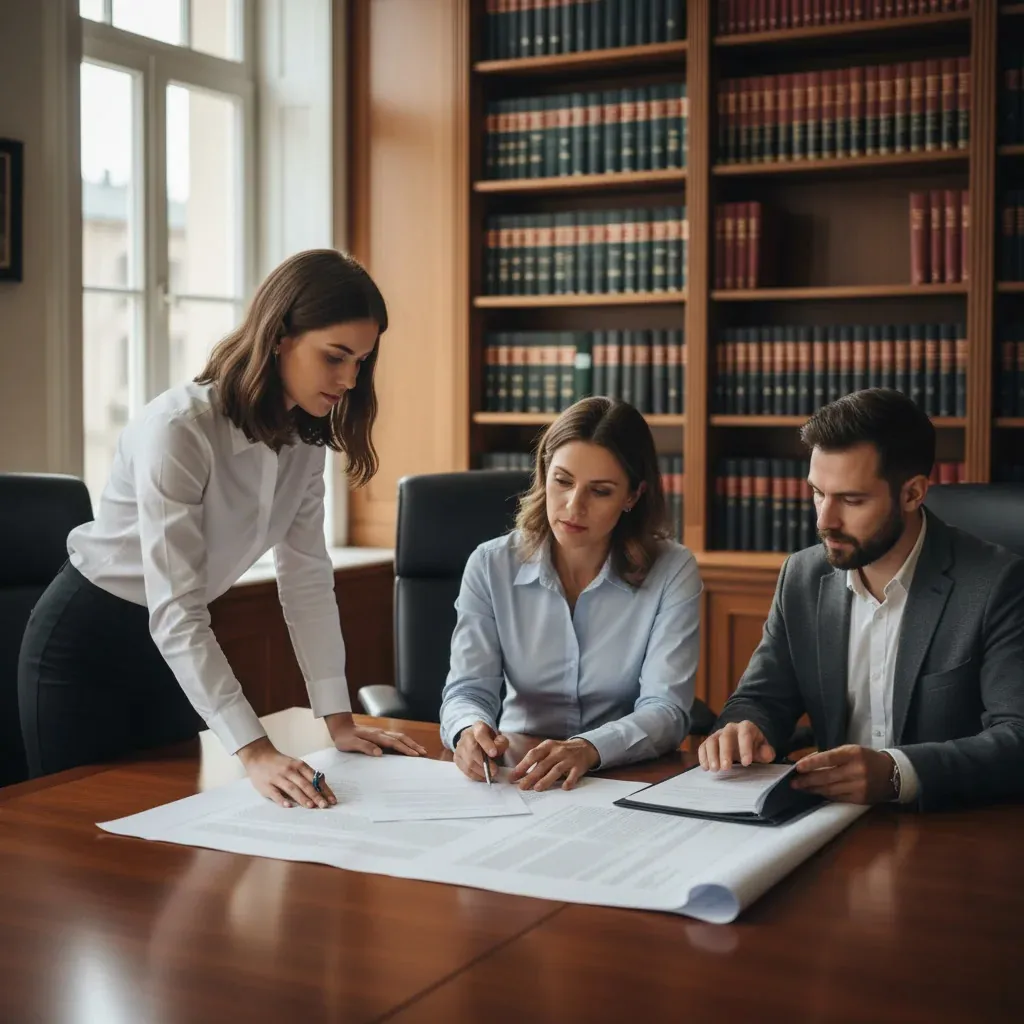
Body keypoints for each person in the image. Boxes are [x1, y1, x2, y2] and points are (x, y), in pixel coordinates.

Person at [18, 249, 426, 807]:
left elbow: (306, 580)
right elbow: (176, 609)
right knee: (78, 842)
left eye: (361, 361)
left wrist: (339, 720)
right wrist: (256, 751)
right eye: (335, 357)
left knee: (169, 840)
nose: (349, 379)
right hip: (87, 644)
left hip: (173, 653)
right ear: (280, 336)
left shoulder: (306, 445)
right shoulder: (180, 429)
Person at [699, 388, 1024, 811]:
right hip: (828, 820)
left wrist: (896, 772)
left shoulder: (997, 583)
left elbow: (1016, 735)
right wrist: (744, 730)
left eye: (851, 500)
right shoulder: (802, 575)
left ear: (912, 493)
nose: (824, 520)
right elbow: (761, 698)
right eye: (817, 492)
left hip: (949, 825)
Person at [441, 397, 702, 792]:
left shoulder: (672, 570)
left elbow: (666, 709)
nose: (573, 506)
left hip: (621, 776)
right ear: (544, 473)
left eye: (600, 491)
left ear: (632, 496)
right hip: (517, 773)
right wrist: (466, 730)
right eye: (562, 481)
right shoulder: (491, 564)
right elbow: (467, 689)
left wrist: (588, 747)